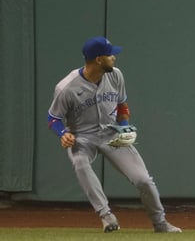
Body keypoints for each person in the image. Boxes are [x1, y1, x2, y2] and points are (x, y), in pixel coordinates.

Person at [47, 36, 182, 233]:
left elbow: (122, 105)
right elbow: (53, 118)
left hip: (110, 133)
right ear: (98, 59)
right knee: (80, 163)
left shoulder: (115, 75)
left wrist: (125, 126)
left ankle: (160, 223)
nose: (114, 58)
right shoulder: (66, 87)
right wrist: (62, 134)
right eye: (110, 55)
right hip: (81, 137)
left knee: (143, 179)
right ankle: (106, 215)